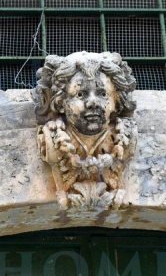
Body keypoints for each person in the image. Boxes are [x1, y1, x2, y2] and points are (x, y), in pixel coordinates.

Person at [33, 51, 138, 210]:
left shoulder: (125, 136)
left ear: (117, 101)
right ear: (60, 102)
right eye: (80, 94)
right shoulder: (53, 138)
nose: (92, 103)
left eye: (102, 93)